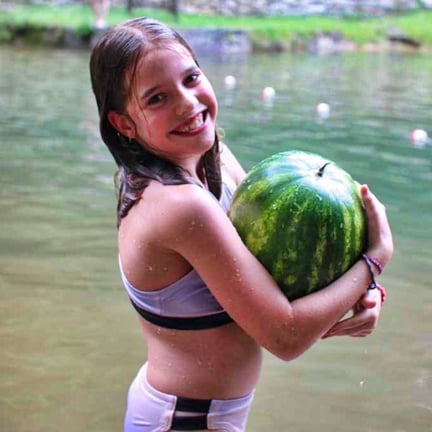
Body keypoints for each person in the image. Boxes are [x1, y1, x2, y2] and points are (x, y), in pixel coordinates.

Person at [89, 17, 393, 432]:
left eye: (191, 77)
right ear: (123, 123)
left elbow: (269, 282)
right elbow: (284, 336)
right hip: (186, 419)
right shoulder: (180, 206)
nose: (187, 103)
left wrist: (364, 292)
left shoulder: (207, 155)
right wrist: (374, 261)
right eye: (157, 98)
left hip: (196, 412)